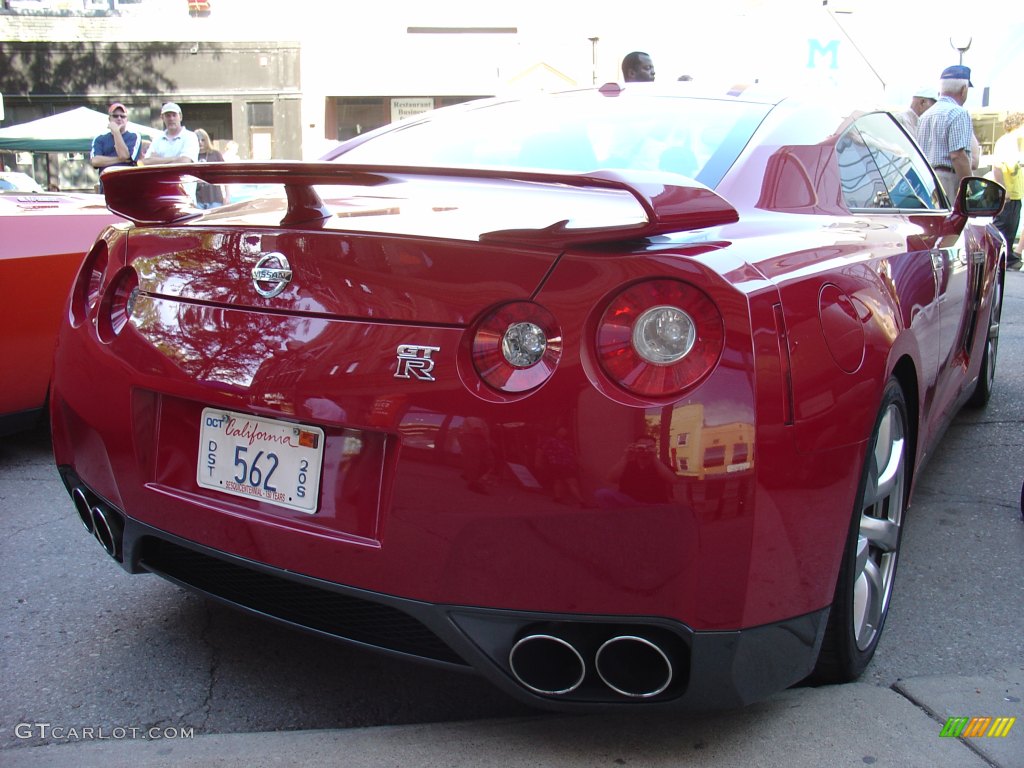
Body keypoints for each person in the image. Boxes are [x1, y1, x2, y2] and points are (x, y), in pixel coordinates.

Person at [917, 65, 975, 202]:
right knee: (951, 221)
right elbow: (957, 156)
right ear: (963, 90)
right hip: (948, 180)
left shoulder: (924, 116)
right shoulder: (958, 113)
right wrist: (969, 187)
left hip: (927, 180)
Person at [992, 112, 1024, 269]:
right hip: (1008, 194)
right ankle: (996, 258)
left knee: (1010, 229)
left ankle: (1007, 257)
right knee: (1002, 227)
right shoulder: (1006, 142)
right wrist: (1002, 189)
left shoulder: (1017, 142)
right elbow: (997, 166)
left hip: (1016, 193)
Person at [90, 102, 141, 185]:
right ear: (109, 119)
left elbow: (124, 155)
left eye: (123, 116)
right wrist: (121, 159)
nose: (119, 118)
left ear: (127, 120)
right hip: (107, 187)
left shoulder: (134, 136)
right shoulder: (99, 139)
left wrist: (116, 132)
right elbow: (95, 161)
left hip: (128, 185)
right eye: (115, 116)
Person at [195, 127, 227, 209]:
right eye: (197, 140)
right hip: (197, 200)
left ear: (207, 140)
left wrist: (227, 196)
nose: (200, 142)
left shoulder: (215, 154)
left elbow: (226, 175)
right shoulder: (191, 155)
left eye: (203, 140)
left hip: (215, 198)